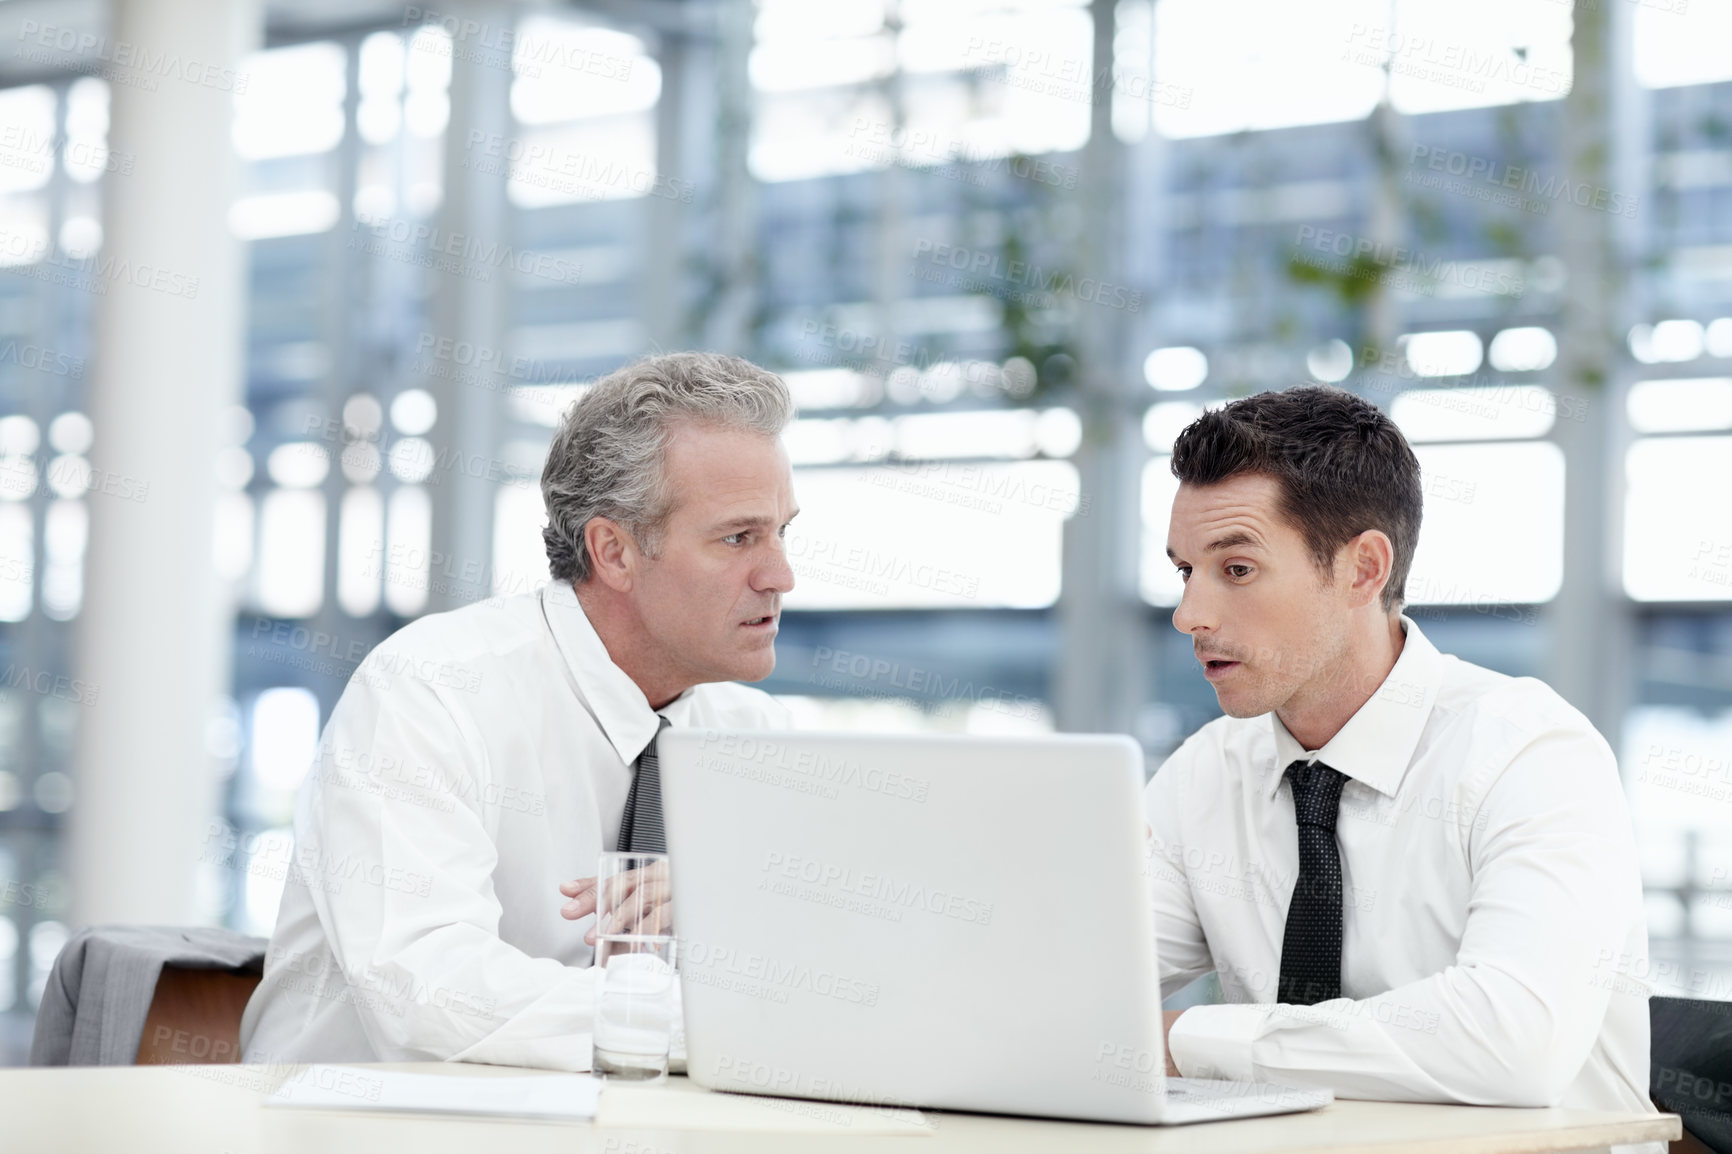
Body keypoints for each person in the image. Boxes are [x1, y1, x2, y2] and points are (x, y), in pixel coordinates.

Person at [240, 352, 799, 1068]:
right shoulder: (430, 693)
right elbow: (432, 996)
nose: (781, 575)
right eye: (738, 538)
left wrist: (734, 909)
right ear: (615, 553)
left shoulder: (756, 736)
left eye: (784, 532)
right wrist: (730, 1025)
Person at [1148, 386, 1658, 1130]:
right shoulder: (1207, 772)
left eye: (1237, 570)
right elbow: (1076, 985)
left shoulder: (1532, 752)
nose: (1190, 615)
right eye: (1184, 571)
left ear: (1362, 570)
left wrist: (1188, 1039)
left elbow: (1512, 1041)